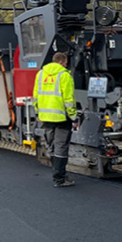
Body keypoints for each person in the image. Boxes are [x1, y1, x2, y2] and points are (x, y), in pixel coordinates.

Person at [33, 52, 78, 187]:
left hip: (46, 117)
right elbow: (69, 99)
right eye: (65, 63)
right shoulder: (64, 75)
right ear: (61, 62)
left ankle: (58, 173)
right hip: (62, 117)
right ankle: (59, 178)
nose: (66, 65)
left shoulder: (40, 74)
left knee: (52, 145)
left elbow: (35, 95)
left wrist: (38, 112)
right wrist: (74, 117)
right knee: (61, 147)